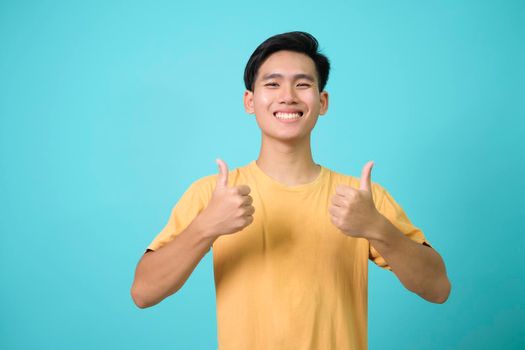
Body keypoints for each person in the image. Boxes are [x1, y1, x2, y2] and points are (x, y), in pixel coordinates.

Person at [130, 31, 451, 349]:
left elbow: (438, 288)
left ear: (322, 102)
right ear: (249, 101)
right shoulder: (215, 196)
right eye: (272, 83)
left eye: (302, 84)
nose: (288, 96)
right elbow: (143, 292)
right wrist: (205, 228)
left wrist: (378, 228)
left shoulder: (362, 199)